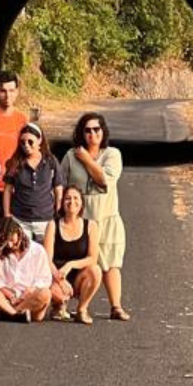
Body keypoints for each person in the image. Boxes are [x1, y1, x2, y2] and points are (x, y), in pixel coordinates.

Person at [60, 112, 130, 321]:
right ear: (81, 133)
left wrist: (86, 159)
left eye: (96, 129)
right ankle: (75, 306)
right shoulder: (70, 156)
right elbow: (61, 184)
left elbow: (104, 180)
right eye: (87, 130)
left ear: (103, 131)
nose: (92, 134)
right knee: (83, 263)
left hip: (107, 217)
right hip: (81, 220)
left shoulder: (112, 155)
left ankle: (116, 306)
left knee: (111, 263)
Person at [0, 215, 52, 322]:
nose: (10, 245)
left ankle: (9, 313)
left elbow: (44, 280)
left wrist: (30, 291)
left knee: (45, 294)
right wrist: (11, 296)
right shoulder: (0, 252)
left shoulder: (38, 250)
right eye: (6, 242)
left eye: (11, 239)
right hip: (7, 299)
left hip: (30, 299)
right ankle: (14, 314)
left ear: (19, 232)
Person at [44, 184, 100, 325]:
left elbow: (93, 258)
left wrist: (70, 265)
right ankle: (58, 306)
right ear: (62, 202)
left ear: (82, 203)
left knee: (96, 271)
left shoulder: (91, 226)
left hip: (78, 277)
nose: (72, 202)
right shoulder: (53, 225)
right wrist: (59, 280)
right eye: (68, 198)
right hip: (56, 275)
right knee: (57, 296)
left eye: (76, 198)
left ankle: (82, 309)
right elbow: (47, 259)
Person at [3, 121, 63, 242]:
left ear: (39, 140)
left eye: (30, 141)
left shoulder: (50, 161)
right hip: (20, 219)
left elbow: (58, 187)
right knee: (22, 251)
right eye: (23, 142)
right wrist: (7, 214)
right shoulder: (15, 162)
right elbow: (8, 190)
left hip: (45, 219)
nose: (26, 145)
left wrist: (58, 211)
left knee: (44, 251)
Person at [0, 70, 28, 215]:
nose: (7, 95)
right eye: (3, 91)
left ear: (17, 92)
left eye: (11, 90)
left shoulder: (22, 119)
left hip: (14, 186)